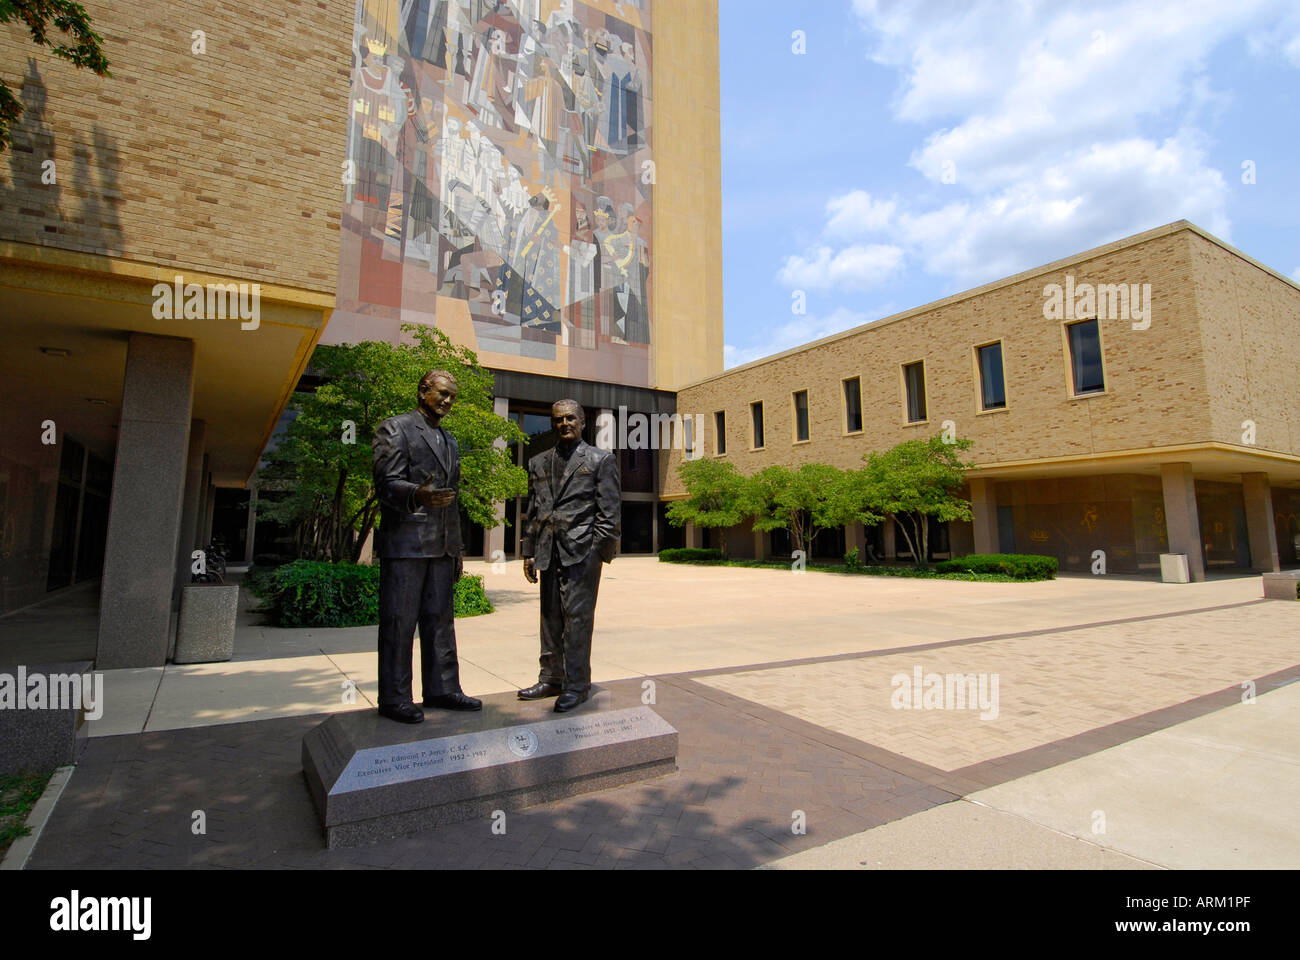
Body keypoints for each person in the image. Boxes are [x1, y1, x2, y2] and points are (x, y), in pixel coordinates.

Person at [371, 370, 482, 723]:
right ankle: (394, 697)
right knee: (399, 623)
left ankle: (443, 688)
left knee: (440, 621)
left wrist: (458, 549)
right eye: (442, 394)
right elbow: (386, 483)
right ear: (422, 391)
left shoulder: (450, 440)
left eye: (452, 396)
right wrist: (417, 494)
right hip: (406, 544)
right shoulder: (396, 428)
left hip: (442, 546)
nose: (447, 401)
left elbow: (453, 500)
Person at [518, 400, 621, 712]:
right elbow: (534, 510)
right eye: (558, 420)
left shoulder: (600, 460)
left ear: (582, 421)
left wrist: (595, 552)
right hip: (548, 550)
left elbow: (610, 514)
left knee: (576, 620)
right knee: (549, 618)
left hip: (582, 554)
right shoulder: (537, 462)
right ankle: (551, 677)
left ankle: (577, 684)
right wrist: (528, 551)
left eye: (570, 419)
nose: (564, 424)